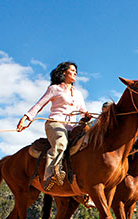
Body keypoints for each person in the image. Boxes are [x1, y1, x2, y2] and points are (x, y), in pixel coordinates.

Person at [17, 61, 90, 189]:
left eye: (76, 72)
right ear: (64, 72)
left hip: (72, 127)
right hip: (55, 123)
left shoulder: (78, 94)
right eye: (72, 70)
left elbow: (83, 111)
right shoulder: (54, 89)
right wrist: (25, 118)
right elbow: (39, 105)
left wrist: (87, 116)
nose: (75, 73)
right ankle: (49, 175)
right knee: (61, 141)